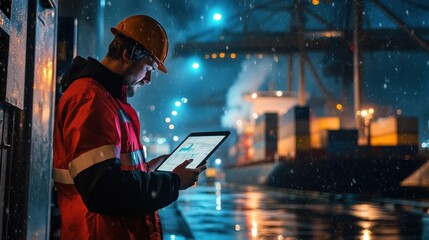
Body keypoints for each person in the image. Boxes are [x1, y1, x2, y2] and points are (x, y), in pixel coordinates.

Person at [53, 15, 205, 240]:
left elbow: (110, 172)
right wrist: (172, 183)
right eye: (149, 68)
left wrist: (147, 169)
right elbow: (103, 189)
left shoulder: (108, 101)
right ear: (127, 55)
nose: (148, 79)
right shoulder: (90, 99)